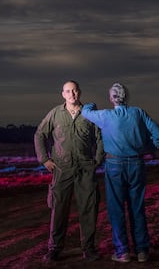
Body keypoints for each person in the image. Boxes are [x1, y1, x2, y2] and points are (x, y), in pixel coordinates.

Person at [81, 82, 159, 263]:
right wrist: (147, 149)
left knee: (116, 208)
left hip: (114, 164)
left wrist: (90, 105)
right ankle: (142, 251)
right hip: (136, 164)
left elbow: (85, 112)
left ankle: (122, 252)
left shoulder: (105, 115)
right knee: (137, 208)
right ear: (126, 97)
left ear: (111, 98)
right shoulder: (138, 113)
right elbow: (158, 135)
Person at [34, 80, 104, 262]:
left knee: (88, 209)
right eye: (68, 91)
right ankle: (54, 249)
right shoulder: (55, 113)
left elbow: (100, 137)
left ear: (79, 92)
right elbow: (40, 134)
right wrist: (44, 159)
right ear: (62, 94)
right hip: (62, 169)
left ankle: (88, 249)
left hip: (85, 169)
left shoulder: (89, 114)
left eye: (74, 91)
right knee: (59, 210)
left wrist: (97, 160)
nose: (71, 94)